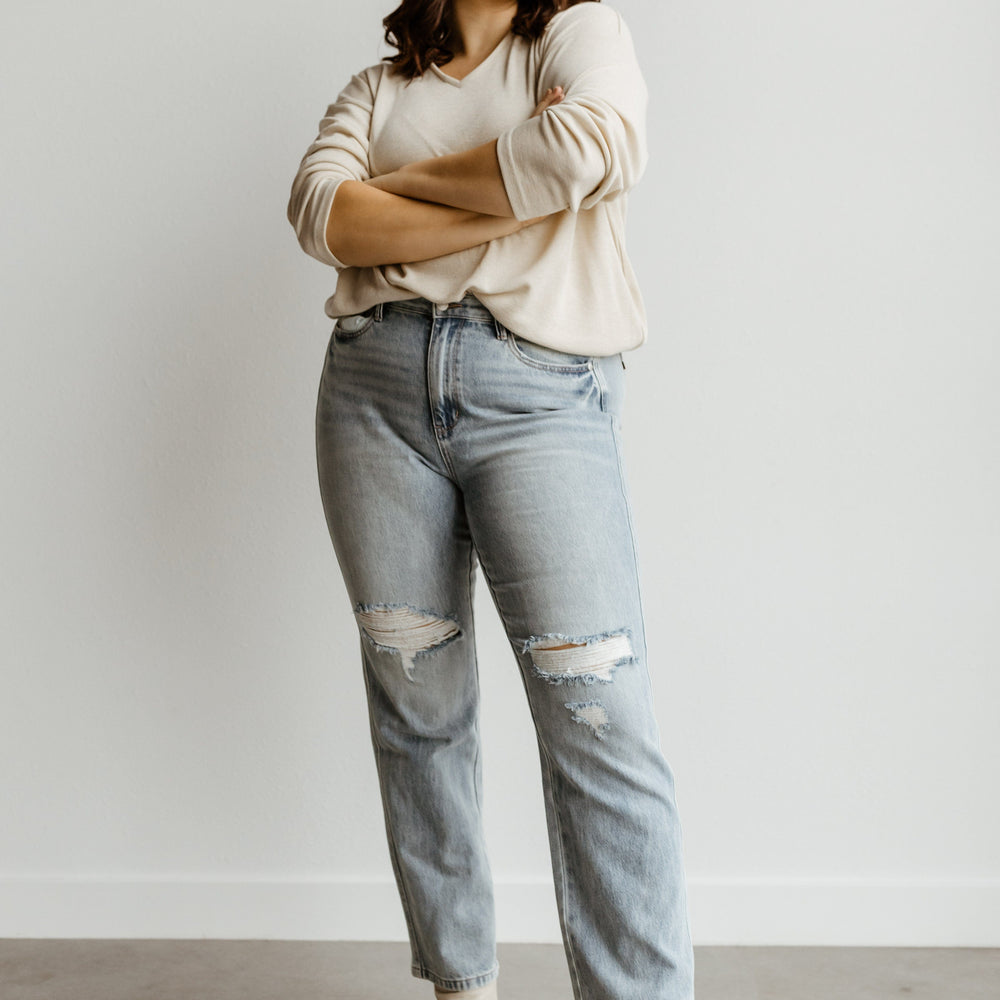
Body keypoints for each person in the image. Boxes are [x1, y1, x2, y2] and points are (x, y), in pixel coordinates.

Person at [286, 1, 695, 997]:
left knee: (596, 714)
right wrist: (522, 181)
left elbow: (597, 142)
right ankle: (459, 984)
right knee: (415, 706)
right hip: (371, 393)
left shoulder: (575, 33)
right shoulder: (378, 86)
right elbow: (320, 214)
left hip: (540, 396)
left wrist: (404, 194)